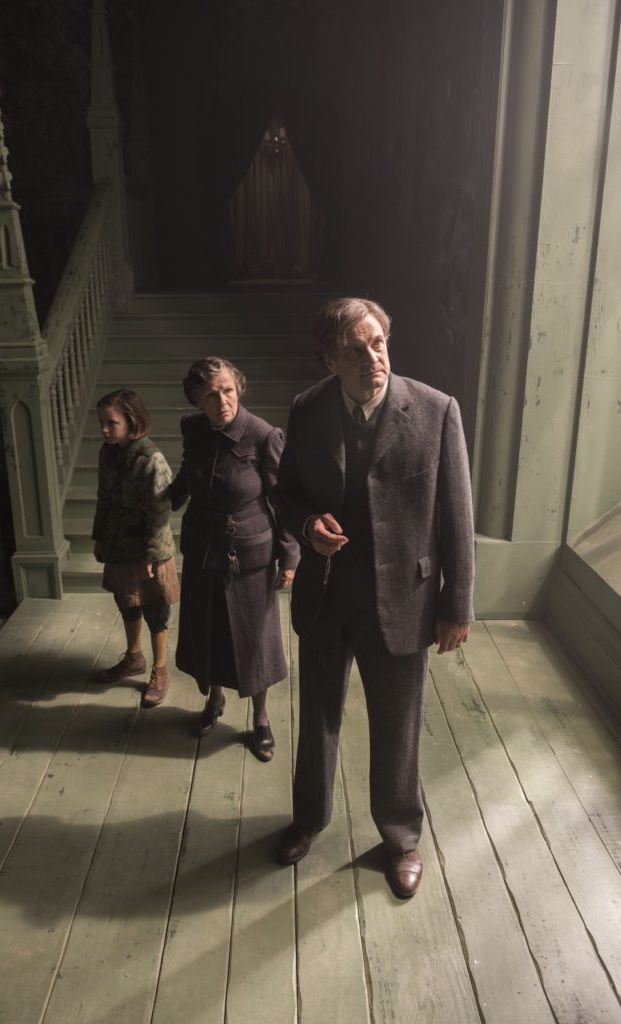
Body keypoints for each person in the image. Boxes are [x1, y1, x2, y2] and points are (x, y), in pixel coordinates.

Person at [273, 297, 475, 898]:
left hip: (405, 598)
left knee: (398, 723)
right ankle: (309, 818)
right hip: (326, 593)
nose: (372, 359)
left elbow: (457, 517)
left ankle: (401, 836)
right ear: (330, 360)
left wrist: (456, 605)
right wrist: (308, 526)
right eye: (354, 351)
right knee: (318, 716)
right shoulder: (308, 408)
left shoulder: (436, 411)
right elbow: (286, 493)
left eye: (378, 344)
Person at [168, 356, 299, 762]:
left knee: (254, 640)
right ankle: (215, 699)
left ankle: (260, 718)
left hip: (250, 553)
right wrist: (166, 499)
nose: (221, 400)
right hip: (203, 547)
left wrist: (290, 557)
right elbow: (188, 473)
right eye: (210, 394)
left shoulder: (263, 435)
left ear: (238, 387)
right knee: (208, 629)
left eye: (227, 390)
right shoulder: (193, 428)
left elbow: (283, 499)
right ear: (196, 399)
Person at [92, 388, 179, 707]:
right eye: (101, 423)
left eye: (111, 423)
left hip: (149, 548)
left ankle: (159, 669)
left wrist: (152, 556)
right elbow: (104, 498)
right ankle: (133, 658)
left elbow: (160, 512)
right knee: (127, 601)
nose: (104, 429)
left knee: (156, 607)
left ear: (132, 421)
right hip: (119, 542)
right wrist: (99, 536)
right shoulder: (107, 454)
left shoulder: (151, 459)